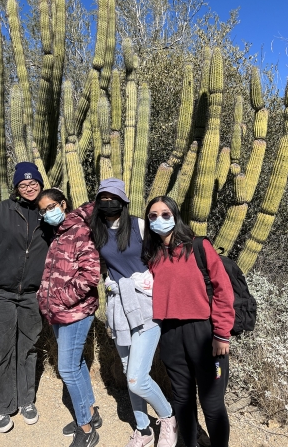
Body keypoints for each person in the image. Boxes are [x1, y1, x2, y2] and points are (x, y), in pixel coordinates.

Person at [89, 178, 177, 447]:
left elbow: (165, 253)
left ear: (124, 201)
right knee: (129, 371)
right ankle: (143, 429)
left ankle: (168, 418)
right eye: (102, 198)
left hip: (147, 306)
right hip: (119, 307)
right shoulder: (98, 229)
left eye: (113, 197)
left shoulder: (139, 225)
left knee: (137, 378)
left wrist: (154, 280)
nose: (108, 202)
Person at [142, 195, 235, 447]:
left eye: (164, 214)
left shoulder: (199, 247)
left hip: (203, 333)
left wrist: (221, 334)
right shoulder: (152, 255)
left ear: (175, 215)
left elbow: (223, 290)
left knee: (212, 403)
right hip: (170, 334)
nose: (158, 219)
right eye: (152, 215)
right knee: (182, 399)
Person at [0, 162, 51, 433]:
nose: (29, 188)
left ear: (40, 184)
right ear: (16, 187)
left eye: (34, 183)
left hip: (30, 295)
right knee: (1, 350)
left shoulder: (47, 214)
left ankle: (26, 399)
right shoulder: (1, 212)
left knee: (28, 348)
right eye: (23, 184)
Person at [37, 188, 100, 447]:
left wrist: (61, 299)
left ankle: (86, 429)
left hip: (75, 312)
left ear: (63, 204)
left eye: (51, 206)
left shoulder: (80, 232)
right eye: (43, 210)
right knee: (75, 365)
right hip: (58, 313)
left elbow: (91, 275)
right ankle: (91, 414)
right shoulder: (59, 233)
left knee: (66, 369)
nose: (47, 212)